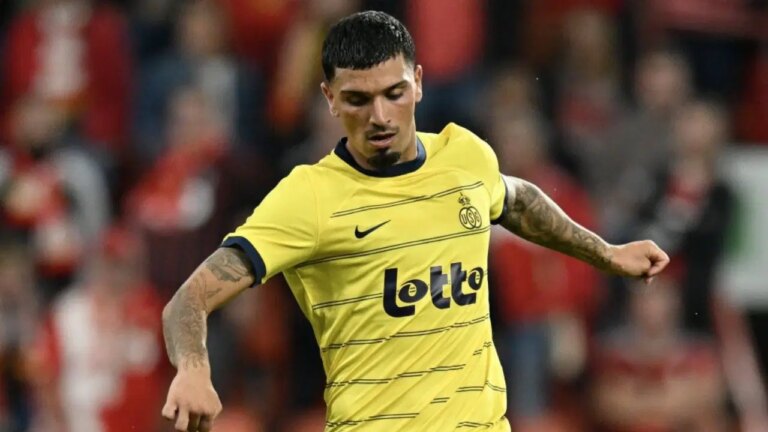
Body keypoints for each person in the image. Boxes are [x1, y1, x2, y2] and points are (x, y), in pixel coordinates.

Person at [161, 11, 669, 432]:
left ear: (419, 83)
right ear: (330, 98)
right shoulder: (308, 197)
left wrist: (605, 252)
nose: (380, 116)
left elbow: (515, 200)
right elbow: (188, 300)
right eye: (358, 99)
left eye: (394, 93)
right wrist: (193, 369)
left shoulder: (464, 155)